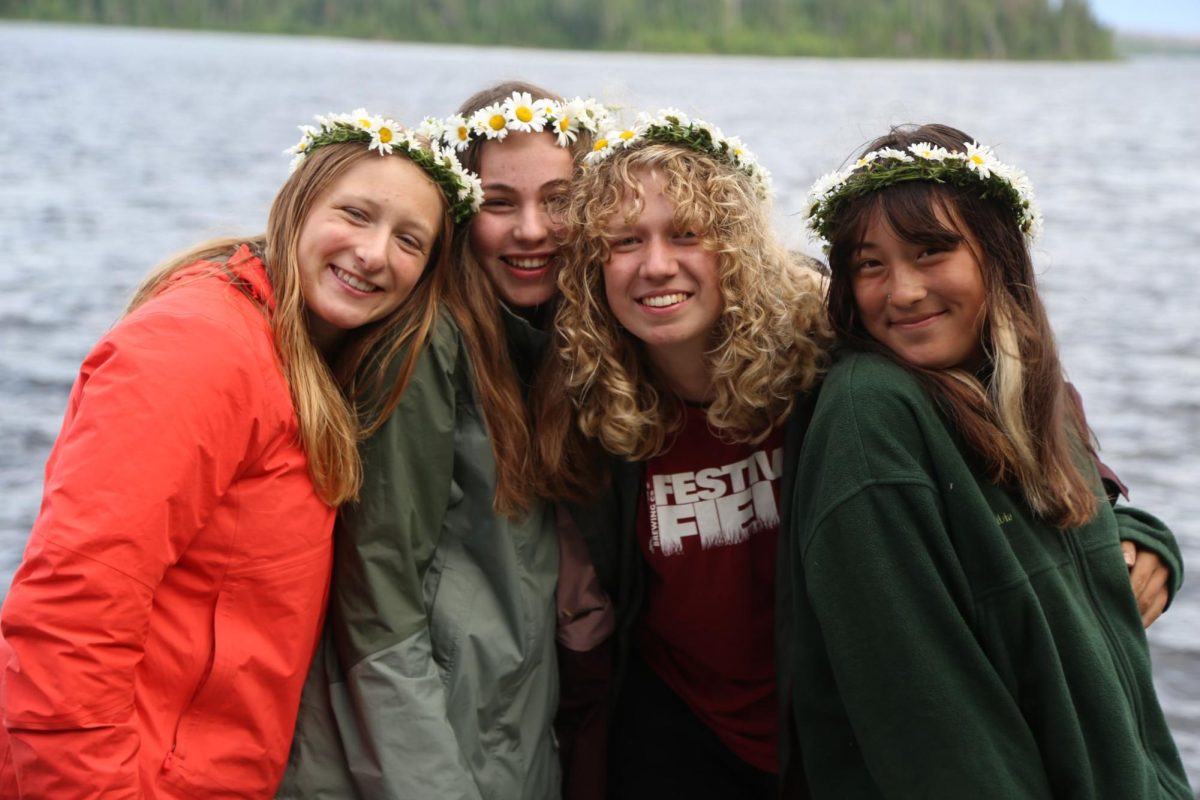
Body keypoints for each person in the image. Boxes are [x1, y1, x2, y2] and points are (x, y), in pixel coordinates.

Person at [0, 110, 478, 798]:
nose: (375, 254)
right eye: (355, 213)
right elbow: (68, 619)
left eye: (409, 240)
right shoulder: (200, 348)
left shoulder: (301, 358)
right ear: (297, 206)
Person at [789, 123, 1192, 798]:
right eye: (869, 264)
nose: (904, 291)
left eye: (931, 251)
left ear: (998, 254)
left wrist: (1146, 540)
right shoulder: (874, 414)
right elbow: (929, 720)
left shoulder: (1030, 394)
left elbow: (1059, 545)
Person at [278, 82, 609, 800]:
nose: (532, 230)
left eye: (558, 199)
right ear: (462, 213)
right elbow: (377, 599)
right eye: (499, 203)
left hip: (501, 735)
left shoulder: (558, 343)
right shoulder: (429, 345)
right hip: (423, 756)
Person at [534, 110, 830, 799]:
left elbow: (983, 378)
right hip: (677, 729)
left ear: (735, 246)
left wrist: (1118, 512)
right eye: (625, 241)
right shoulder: (584, 398)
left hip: (823, 725)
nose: (656, 265)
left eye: (687, 235)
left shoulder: (824, 352)